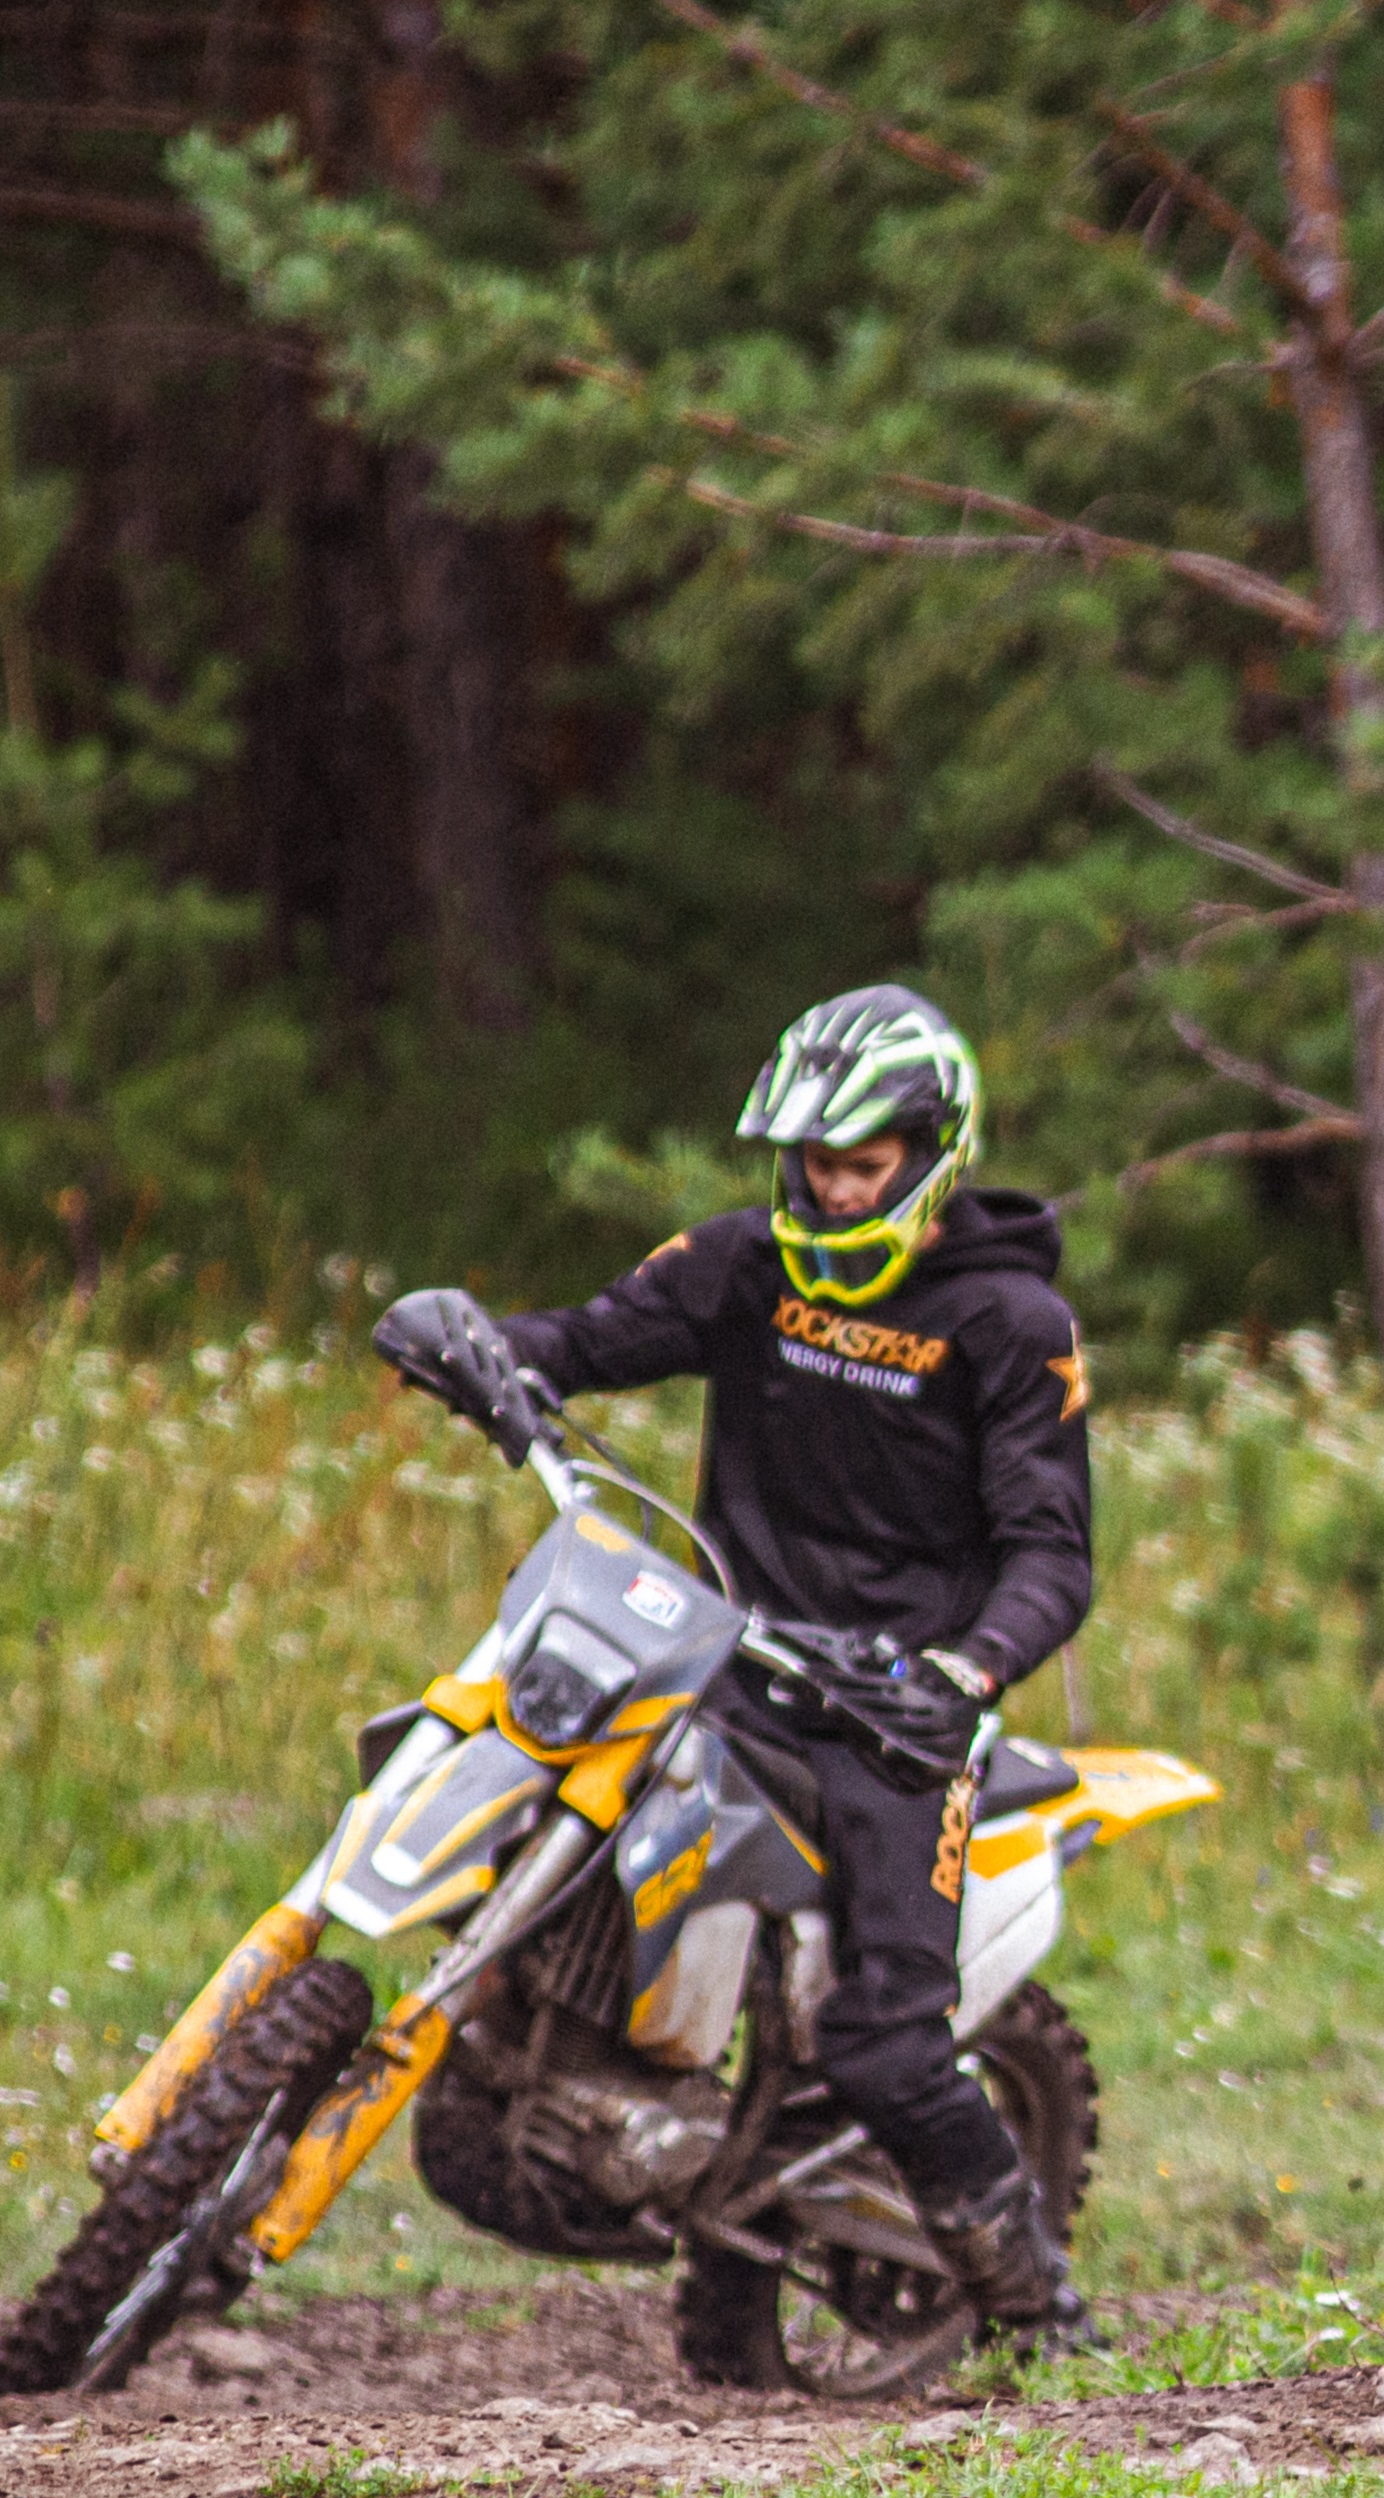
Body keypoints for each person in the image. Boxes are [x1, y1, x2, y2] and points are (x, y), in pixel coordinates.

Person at [382, 986, 1103, 2346]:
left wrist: (965, 1673)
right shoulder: (743, 1265)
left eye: (863, 1166)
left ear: (934, 1152)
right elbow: (583, 1342)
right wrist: (471, 1351)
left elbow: (1052, 1557)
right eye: (814, 1163)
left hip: (897, 1721)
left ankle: (1037, 2309)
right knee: (529, 1774)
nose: (834, 1192)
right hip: (725, 1659)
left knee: (884, 2040)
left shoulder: (1012, 1322)